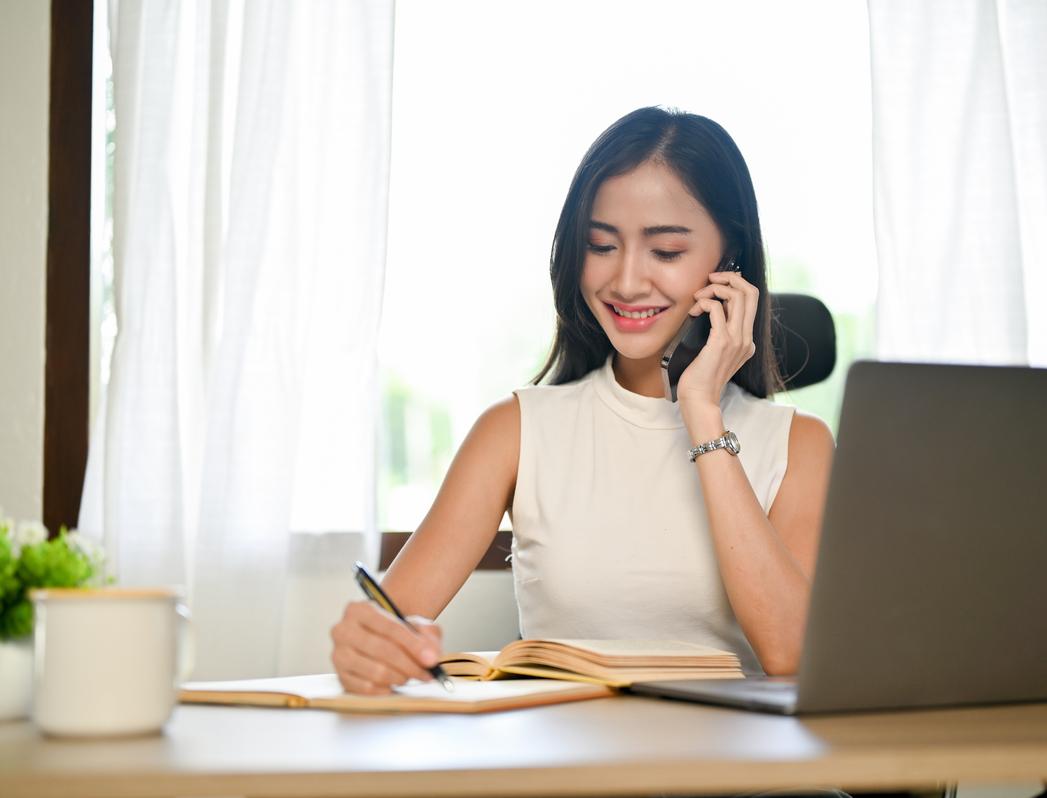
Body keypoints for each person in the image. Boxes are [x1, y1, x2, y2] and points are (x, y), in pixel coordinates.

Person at [331, 106, 835, 694]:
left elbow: (793, 655)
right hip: (567, 776)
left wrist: (701, 411)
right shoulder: (515, 430)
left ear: (730, 261)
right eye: (601, 245)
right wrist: (364, 645)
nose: (625, 281)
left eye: (665, 252)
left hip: (733, 780)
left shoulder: (800, 444)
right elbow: (387, 621)